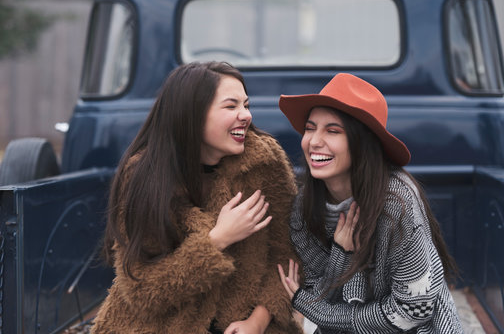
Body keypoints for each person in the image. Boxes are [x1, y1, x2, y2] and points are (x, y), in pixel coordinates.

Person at [91, 62, 303, 334]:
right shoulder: (146, 176)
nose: (246, 116)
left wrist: (257, 322)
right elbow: (143, 292)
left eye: (246, 105)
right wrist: (218, 240)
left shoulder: (263, 163)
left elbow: (286, 256)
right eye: (231, 106)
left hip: (246, 322)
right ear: (192, 114)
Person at [277, 73, 463, 333]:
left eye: (333, 131)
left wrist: (313, 308)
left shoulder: (397, 204)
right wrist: (342, 255)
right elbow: (320, 292)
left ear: (362, 143)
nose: (314, 141)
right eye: (310, 128)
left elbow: (412, 311)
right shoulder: (302, 210)